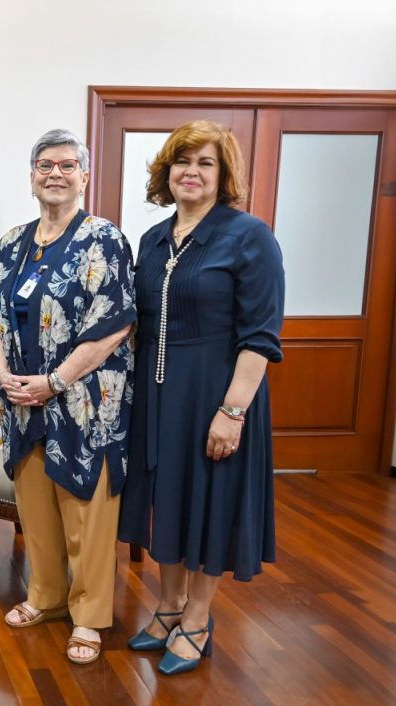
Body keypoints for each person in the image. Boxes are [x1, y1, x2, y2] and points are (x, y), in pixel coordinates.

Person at [118, 120, 285, 675]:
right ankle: (166, 607)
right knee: (166, 499)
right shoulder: (152, 239)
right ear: (166, 172)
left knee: (209, 501)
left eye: (205, 163)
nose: (191, 172)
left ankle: (197, 617)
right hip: (157, 396)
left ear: (223, 174)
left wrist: (232, 411)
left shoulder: (248, 236)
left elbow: (260, 336)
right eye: (182, 162)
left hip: (217, 392)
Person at [0, 129, 136, 664]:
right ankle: (44, 596)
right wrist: (6, 376)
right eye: (45, 165)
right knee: (36, 506)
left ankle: (89, 615)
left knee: (86, 511)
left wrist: (55, 381)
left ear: (84, 176)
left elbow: (113, 326)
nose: (55, 174)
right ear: (31, 176)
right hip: (23, 402)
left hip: (85, 403)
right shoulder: (12, 242)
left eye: (67, 166)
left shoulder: (104, 239)